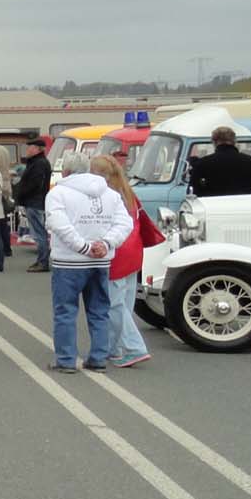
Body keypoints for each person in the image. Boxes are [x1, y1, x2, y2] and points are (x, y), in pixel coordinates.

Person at [45, 151, 135, 372]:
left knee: (65, 312)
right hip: (100, 261)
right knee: (99, 310)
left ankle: (66, 359)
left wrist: (82, 246)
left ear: (65, 170)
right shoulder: (110, 194)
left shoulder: (58, 193)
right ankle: (98, 358)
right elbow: (125, 223)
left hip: (69, 261)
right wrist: (106, 243)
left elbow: (59, 224)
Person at [94, 153, 158, 368]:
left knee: (114, 305)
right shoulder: (128, 192)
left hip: (117, 253)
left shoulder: (107, 195)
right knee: (125, 302)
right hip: (134, 251)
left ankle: (134, 347)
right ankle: (114, 348)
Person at [190, 126, 251, 198]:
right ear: (234, 141)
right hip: (246, 206)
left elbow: (193, 193)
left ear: (214, 142)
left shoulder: (202, 164)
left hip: (214, 207)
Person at [14, 137, 53, 272]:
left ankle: (43, 262)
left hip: (35, 202)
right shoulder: (37, 162)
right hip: (35, 201)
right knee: (38, 233)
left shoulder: (39, 164)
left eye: (30, 147)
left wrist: (21, 193)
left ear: (37, 149)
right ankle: (41, 260)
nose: (27, 150)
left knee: (39, 234)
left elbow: (35, 184)